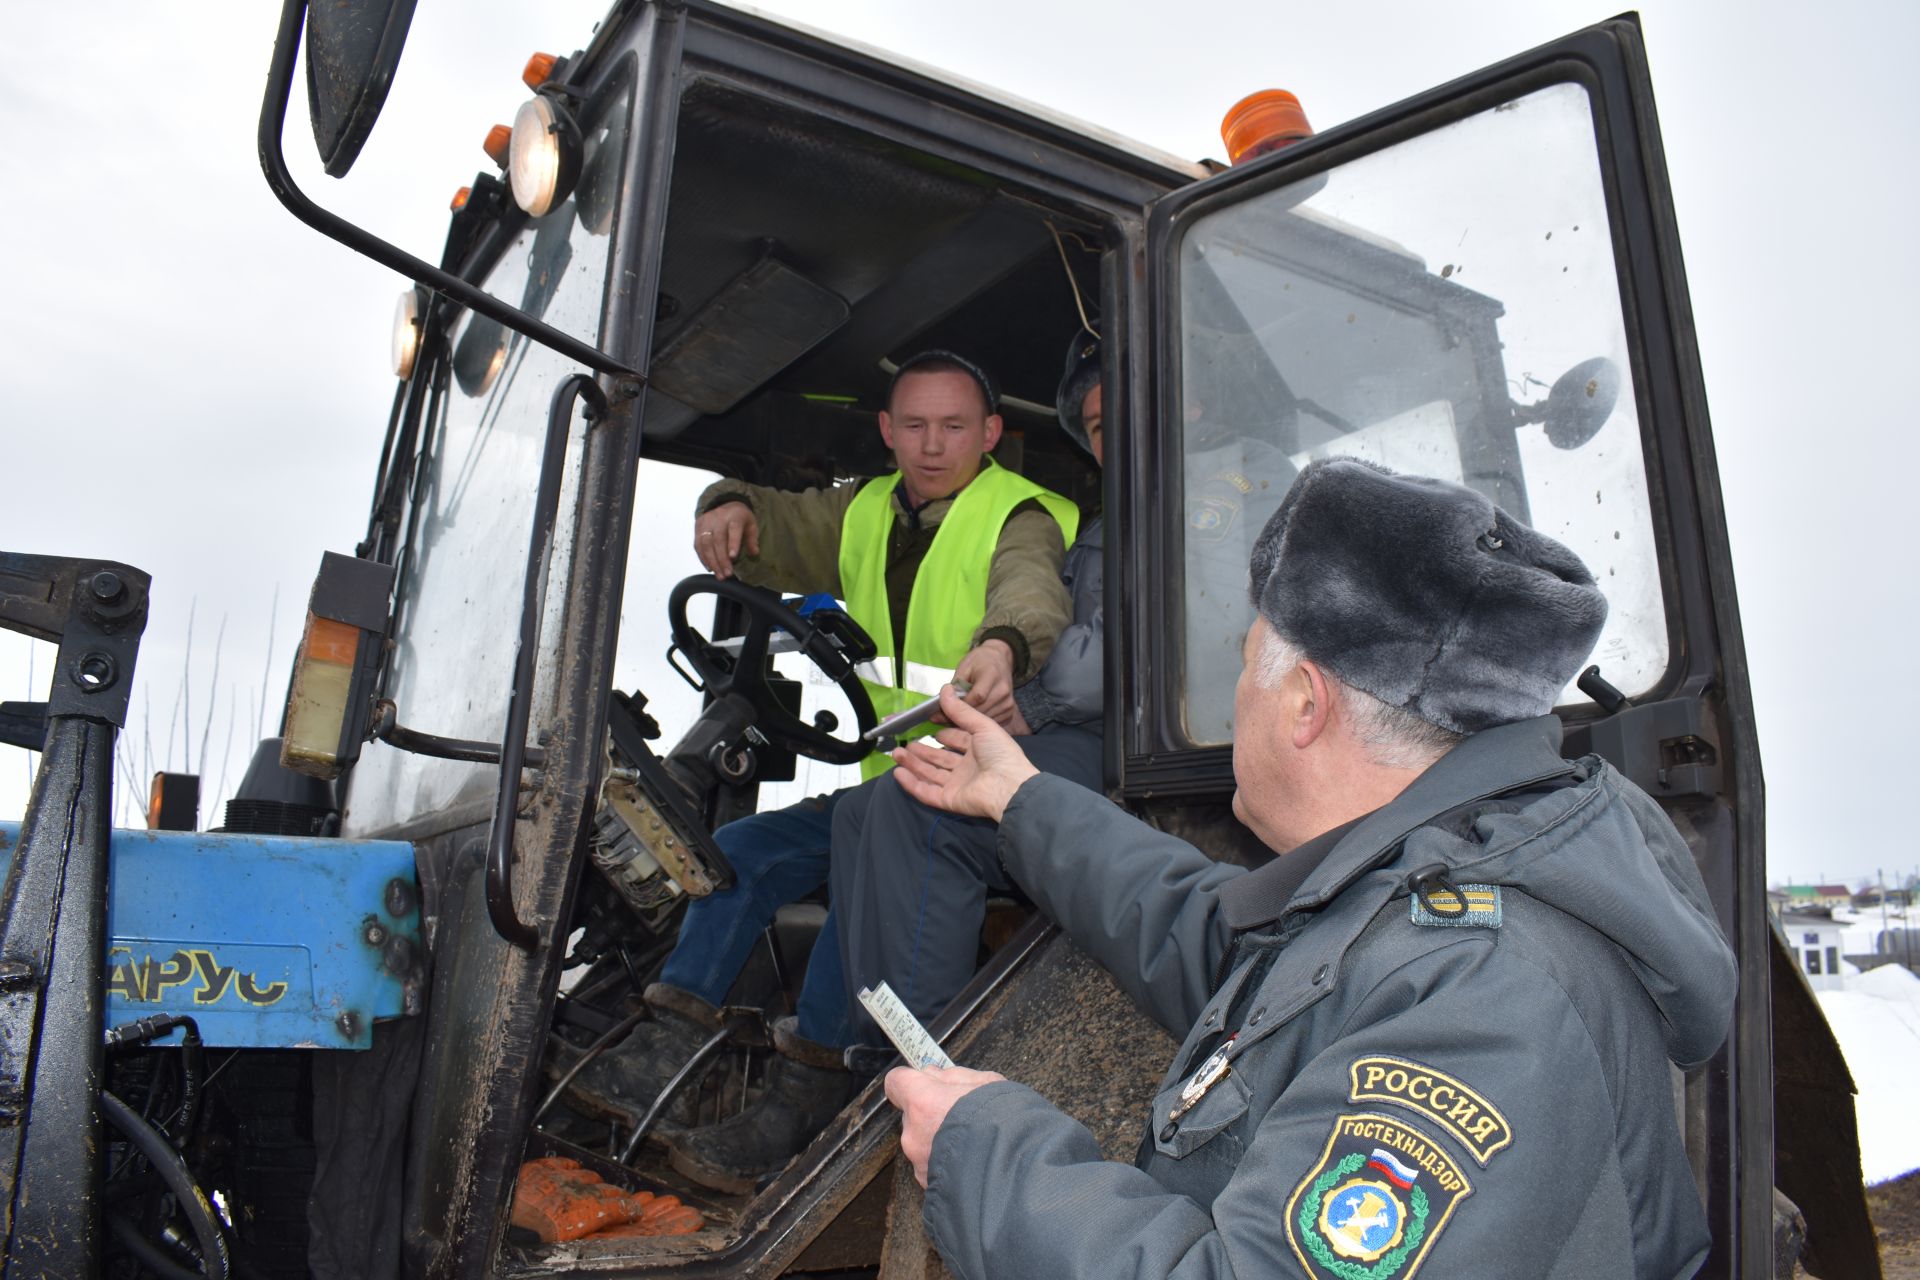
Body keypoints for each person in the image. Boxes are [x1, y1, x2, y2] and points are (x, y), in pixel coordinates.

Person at [883, 458, 1738, 1279]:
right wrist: (1022, 797)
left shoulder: (1487, 991)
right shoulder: (1415, 895)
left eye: (1247, 663)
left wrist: (986, 1150)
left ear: (1304, 703)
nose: (1235, 698)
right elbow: (1204, 933)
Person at [569, 351, 1077, 1178]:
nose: (933, 444)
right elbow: (774, 522)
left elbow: (1030, 592)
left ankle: (809, 1096)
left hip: (975, 789)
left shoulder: (1020, 515)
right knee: (745, 852)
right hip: (886, 785)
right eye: (913, 425)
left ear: (990, 433)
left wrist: (1002, 644)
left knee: (864, 871)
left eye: (954, 426)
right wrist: (725, 503)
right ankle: (664, 1046)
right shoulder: (868, 510)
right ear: (886, 431)